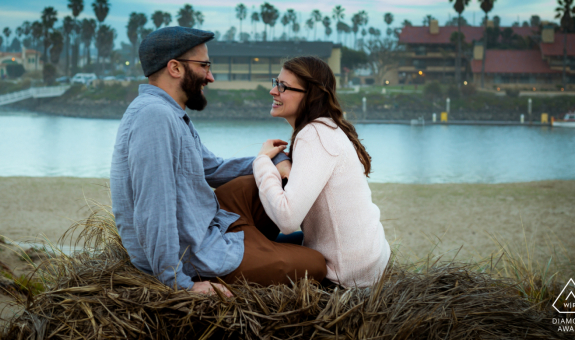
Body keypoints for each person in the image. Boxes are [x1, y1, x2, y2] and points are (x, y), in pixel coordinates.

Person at [110, 27, 327, 296]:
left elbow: (213, 168)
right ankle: (275, 250)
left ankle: (272, 246)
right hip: (195, 252)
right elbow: (154, 209)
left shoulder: (169, 113)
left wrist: (273, 161)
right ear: (175, 68)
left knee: (271, 180)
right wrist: (177, 283)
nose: (210, 76)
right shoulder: (155, 117)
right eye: (204, 66)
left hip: (207, 223)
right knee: (318, 264)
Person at [253, 56, 390, 288]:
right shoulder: (327, 128)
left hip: (346, 276)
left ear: (310, 95)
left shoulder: (314, 135)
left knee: (255, 251)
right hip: (368, 261)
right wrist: (286, 166)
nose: (272, 91)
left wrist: (262, 162)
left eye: (283, 86)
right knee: (266, 243)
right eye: (276, 81)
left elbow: (287, 219)